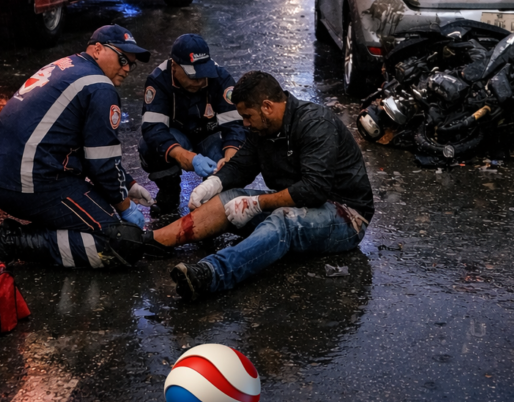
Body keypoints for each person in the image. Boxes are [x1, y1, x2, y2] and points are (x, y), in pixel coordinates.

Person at [150, 70, 375, 300]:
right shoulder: (263, 128)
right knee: (232, 197)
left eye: (247, 116)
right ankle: (152, 241)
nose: (245, 124)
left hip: (347, 217)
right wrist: (213, 184)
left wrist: (257, 202)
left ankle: (212, 273)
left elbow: (314, 190)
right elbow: (240, 167)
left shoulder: (315, 123)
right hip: (300, 205)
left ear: (267, 106)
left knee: (283, 219)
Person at [0, 25, 165, 270]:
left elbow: (88, 150)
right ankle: (13, 242)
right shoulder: (99, 87)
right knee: (120, 242)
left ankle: (25, 236)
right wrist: (125, 206)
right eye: (122, 59)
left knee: (101, 208)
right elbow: (101, 164)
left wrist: (127, 184)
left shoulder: (66, 65)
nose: (127, 68)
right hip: (28, 180)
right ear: (97, 49)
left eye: (131, 63)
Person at [139, 34, 245, 216]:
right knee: (149, 147)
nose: (201, 81)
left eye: (204, 74)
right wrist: (184, 156)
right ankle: (169, 192)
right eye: (193, 76)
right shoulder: (158, 80)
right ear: (174, 66)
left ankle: (215, 198)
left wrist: (229, 159)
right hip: (177, 137)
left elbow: (235, 125)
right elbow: (153, 129)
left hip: (211, 136)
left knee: (232, 159)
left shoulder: (220, 77)